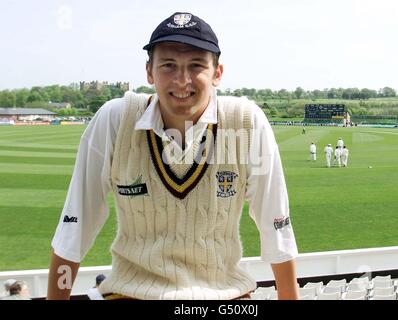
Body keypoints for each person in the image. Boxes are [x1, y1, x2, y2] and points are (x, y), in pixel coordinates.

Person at [47, 12, 299, 300]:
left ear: (217, 73)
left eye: (196, 66)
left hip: (224, 295)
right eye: (168, 65)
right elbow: (75, 228)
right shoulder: (115, 119)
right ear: (149, 72)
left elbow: (275, 225)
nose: (182, 80)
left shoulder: (245, 121)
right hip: (133, 292)